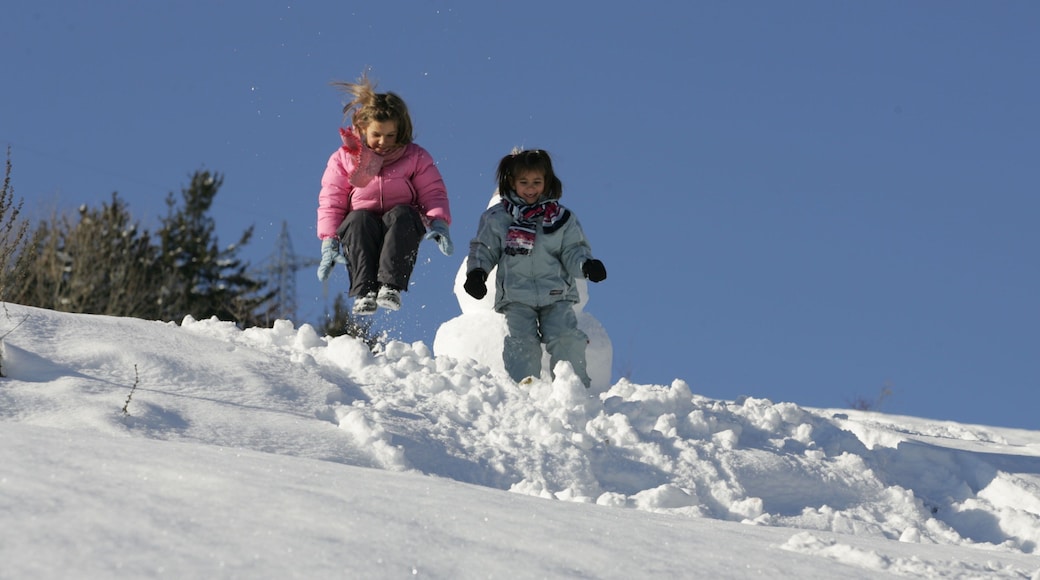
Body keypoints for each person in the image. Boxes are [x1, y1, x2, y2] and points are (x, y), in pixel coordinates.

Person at [463, 149, 607, 388]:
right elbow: (484, 248)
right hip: (517, 295)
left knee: (565, 337)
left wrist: (587, 265)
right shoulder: (498, 218)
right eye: (524, 182)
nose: (530, 188)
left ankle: (573, 388)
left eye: (537, 182)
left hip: (556, 293)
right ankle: (525, 389)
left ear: (547, 182)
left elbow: (573, 250)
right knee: (522, 343)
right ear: (512, 182)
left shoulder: (560, 219)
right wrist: (477, 273)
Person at [316, 72, 454, 316]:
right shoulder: (344, 159)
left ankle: (390, 287)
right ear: (362, 129)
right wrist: (329, 241)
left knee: (403, 214)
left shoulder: (414, 156)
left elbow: (432, 191)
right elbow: (332, 201)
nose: (384, 141)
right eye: (377, 135)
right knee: (358, 219)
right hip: (362, 227)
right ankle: (365, 291)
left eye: (391, 135)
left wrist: (439, 223)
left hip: (400, 226)